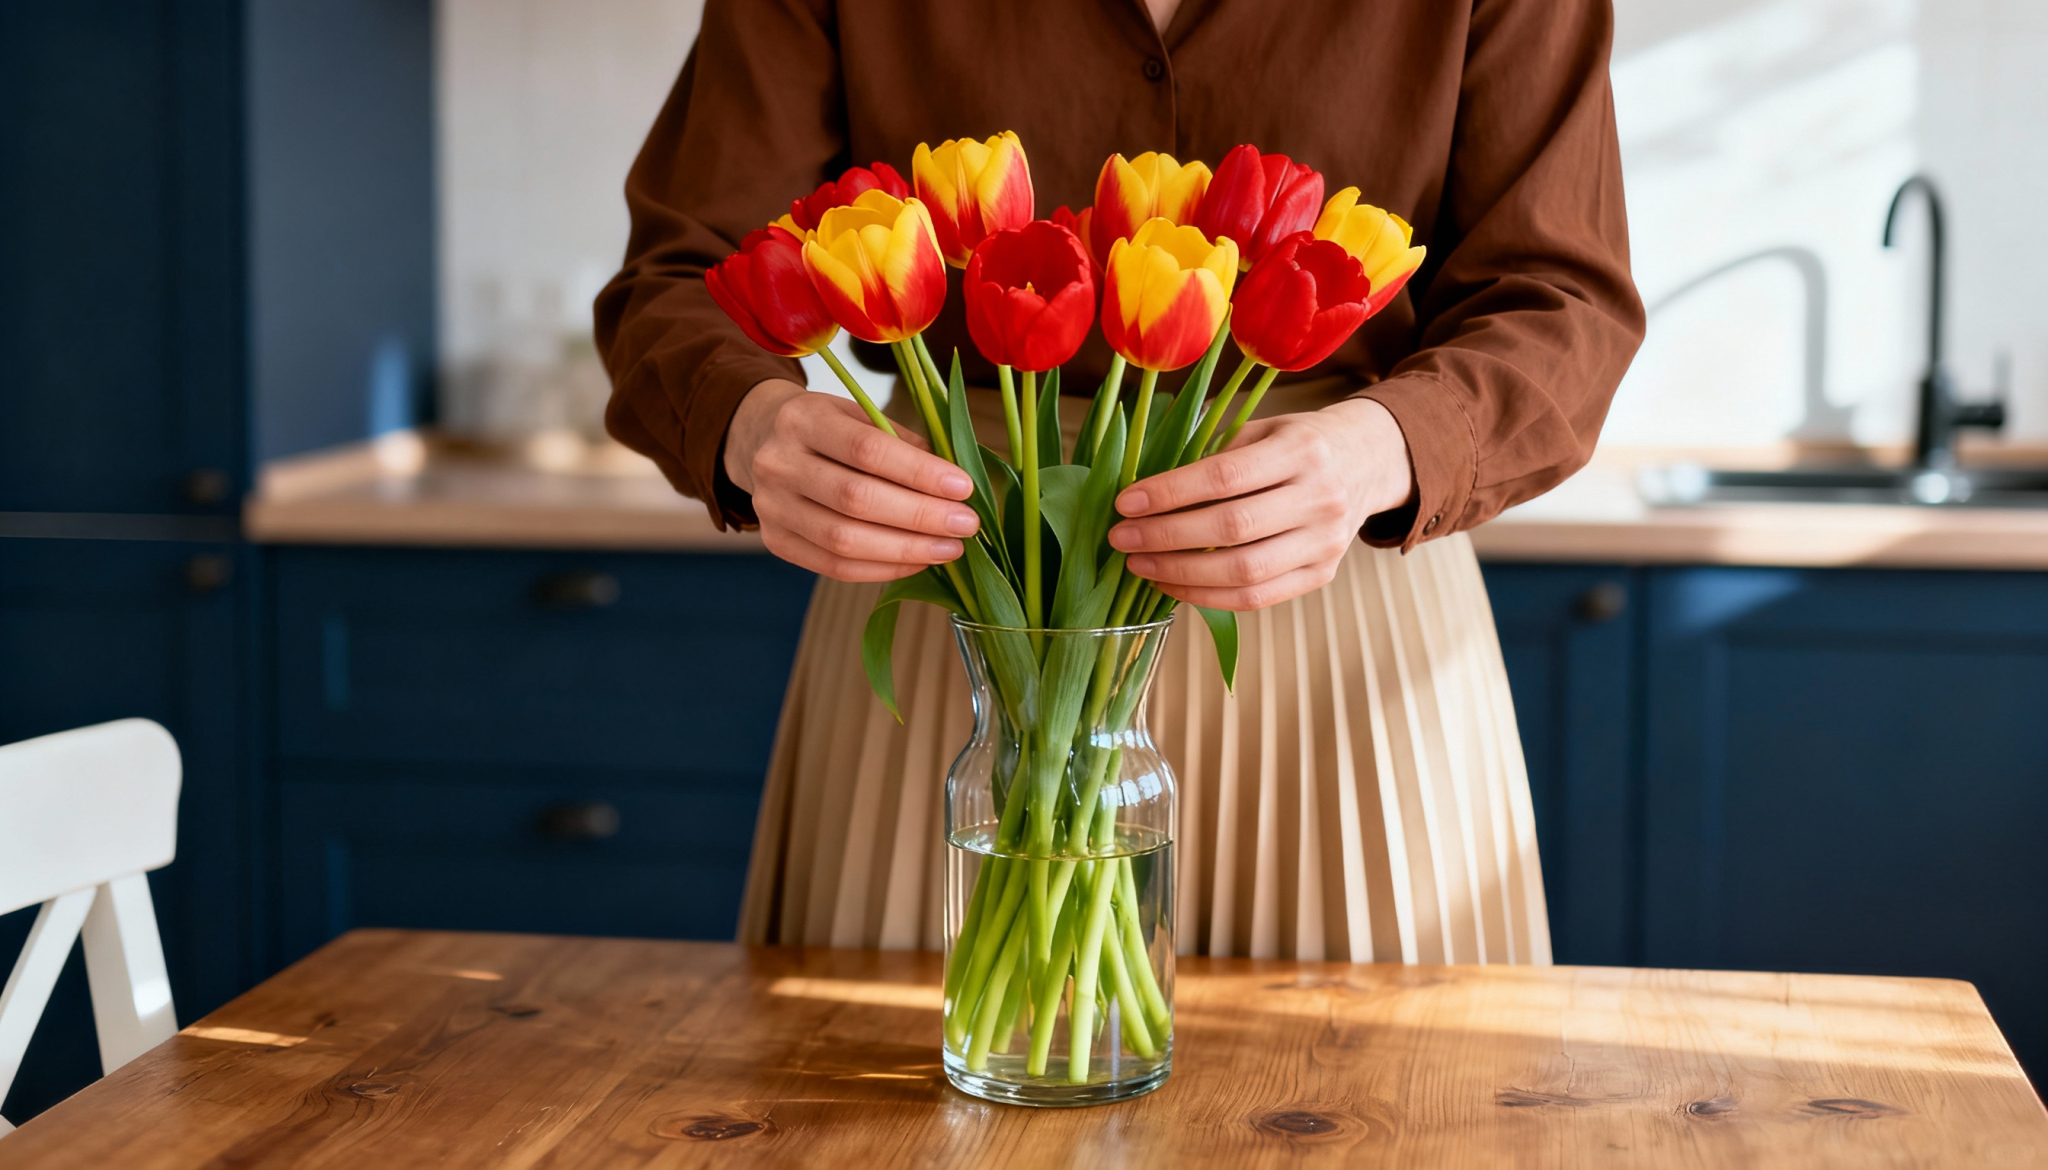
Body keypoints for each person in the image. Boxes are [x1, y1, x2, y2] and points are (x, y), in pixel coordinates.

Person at [597, 0, 1643, 963]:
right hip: (956, 584)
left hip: (1334, 586)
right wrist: (749, 423)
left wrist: (1383, 448)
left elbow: (1563, 298)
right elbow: (681, 270)